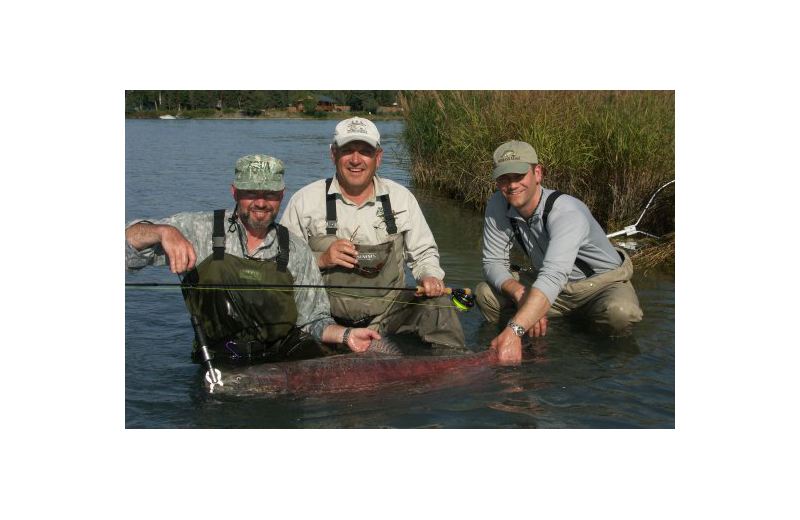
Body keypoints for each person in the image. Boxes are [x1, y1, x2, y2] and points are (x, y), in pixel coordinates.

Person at [125, 154, 382, 366]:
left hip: (281, 365)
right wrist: (162, 231)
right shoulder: (197, 230)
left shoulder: (296, 249)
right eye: (251, 193)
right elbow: (129, 245)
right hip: (217, 363)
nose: (261, 202)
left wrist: (347, 335)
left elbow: (314, 321)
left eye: (270, 194)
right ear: (234, 192)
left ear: (281, 195)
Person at [280, 117, 466, 350]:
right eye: (348, 150)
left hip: (389, 317)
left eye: (365, 151)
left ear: (378, 157)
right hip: (325, 319)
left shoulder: (401, 198)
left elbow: (423, 253)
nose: (356, 160)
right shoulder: (305, 201)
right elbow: (281, 263)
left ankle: (453, 370)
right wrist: (321, 259)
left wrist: (429, 276)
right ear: (333, 154)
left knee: (438, 303)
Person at [477, 140, 643, 365]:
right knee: (486, 294)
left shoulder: (566, 212)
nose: (512, 185)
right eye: (504, 178)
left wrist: (514, 329)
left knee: (620, 312)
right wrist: (519, 293)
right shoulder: (498, 204)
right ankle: (530, 345)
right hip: (552, 285)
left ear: (537, 173)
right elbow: (492, 262)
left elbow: (553, 276)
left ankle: (607, 358)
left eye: (518, 175)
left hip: (600, 285)